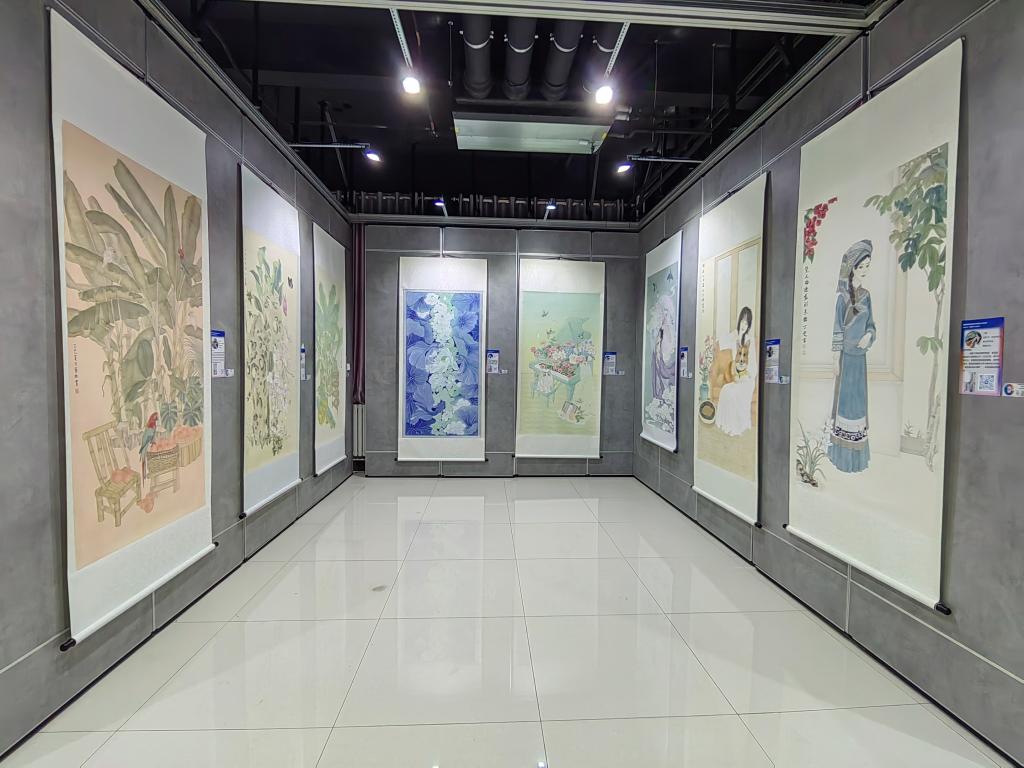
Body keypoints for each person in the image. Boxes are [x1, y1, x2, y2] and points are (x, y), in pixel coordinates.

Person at [828, 239, 876, 473]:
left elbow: (872, 325)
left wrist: (869, 335)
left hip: (860, 360)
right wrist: (835, 359)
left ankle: (857, 459)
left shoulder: (867, 296)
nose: (865, 270)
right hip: (846, 360)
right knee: (845, 406)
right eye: (862, 266)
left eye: (868, 265)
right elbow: (837, 328)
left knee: (858, 406)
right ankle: (842, 458)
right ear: (853, 268)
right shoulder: (842, 298)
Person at [716, 306, 756, 436]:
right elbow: (720, 342)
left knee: (734, 394)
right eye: (742, 321)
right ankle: (726, 424)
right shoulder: (734, 337)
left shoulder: (750, 340)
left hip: (747, 379)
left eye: (747, 323)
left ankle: (736, 426)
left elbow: (753, 367)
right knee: (725, 390)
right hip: (737, 378)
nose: (744, 325)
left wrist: (745, 376)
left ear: (749, 325)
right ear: (739, 321)